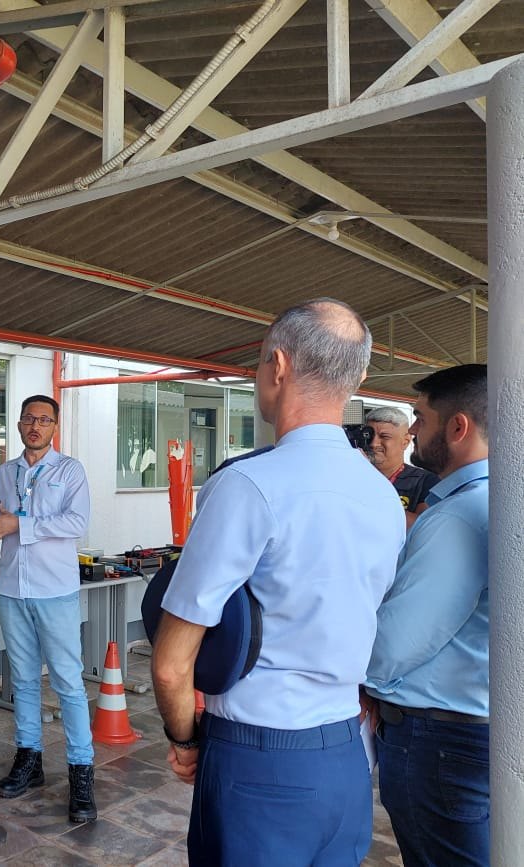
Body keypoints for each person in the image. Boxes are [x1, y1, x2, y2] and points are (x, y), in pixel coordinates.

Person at [151, 299, 406, 866]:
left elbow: (172, 662)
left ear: (279, 366)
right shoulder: (383, 496)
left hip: (258, 758)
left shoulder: (248, 485)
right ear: (357, 378)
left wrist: (185, 738)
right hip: (345, 757)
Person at [365, 364, 490, 866]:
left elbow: (393, 646)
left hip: (438, 741)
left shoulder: (459, 516)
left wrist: (354, 680)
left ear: (457, 427)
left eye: (420, 417)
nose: (413, 430)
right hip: (467, 732)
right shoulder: (489, 500)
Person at [0, 394, 96, 823]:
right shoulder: (6, 472)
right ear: (19, 425)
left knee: (67, 684)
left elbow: (77, 523)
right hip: (11, 589)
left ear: (54, 427)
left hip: (54, 591)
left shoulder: (69, 470)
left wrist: (17, 525)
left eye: (43, 419)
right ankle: (30, 760)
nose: (35, 425)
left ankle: (81, 772)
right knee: (22, 681)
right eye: (28, 419)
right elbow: (0, 519)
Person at [365, 405, 439, 529]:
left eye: (384, 437)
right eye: (369, 436)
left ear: (405, 442)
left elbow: (422, 526)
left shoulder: (425, 481)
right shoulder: (353, 476)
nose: (373, 444)